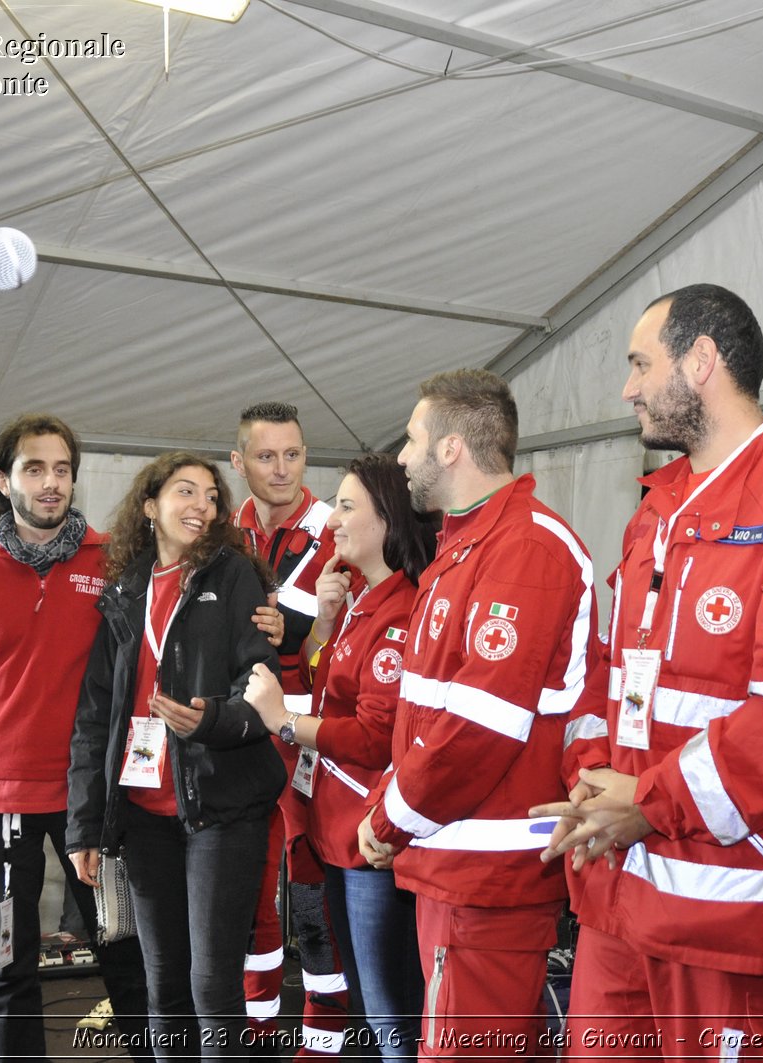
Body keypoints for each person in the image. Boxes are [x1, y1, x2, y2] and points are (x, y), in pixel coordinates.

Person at [532, 284, 763, 1057]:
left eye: (639, 363)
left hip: (733, 919)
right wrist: (591, 777)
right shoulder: (655, 509)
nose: (626, 388)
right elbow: (608, 672)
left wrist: (649, 803)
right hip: (617, 899)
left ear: (700, 361)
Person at [357, 368, 602, 1058]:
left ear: (451, 448)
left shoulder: (524, 548)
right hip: (455, 864)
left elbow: (478, 731)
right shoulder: (468, 544)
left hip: (486, 880)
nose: (402, 457)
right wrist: (393, 802)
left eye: (412, 439)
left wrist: (389, 815)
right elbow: (430, 715)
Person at [0, 412, 150, 1063]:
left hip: (94, 804)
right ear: (2, 478)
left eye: (63, 469)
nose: (51, 483)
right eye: (35, 468)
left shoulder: (115, 563)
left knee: (126, 962)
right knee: (10, 967)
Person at [67, 451, 286, 1059]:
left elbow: (260, 681)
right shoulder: (124, 591)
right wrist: (84, 824)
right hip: (142, 813)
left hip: (222, 804)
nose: (203, 506)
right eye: (186, 492)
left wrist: (211, 720)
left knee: (212, 985)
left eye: (212, 496)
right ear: (149, 506)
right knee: (162, 985)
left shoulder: (236, 575)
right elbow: (94, 718)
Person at [245, 454, 437, 1061]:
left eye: (348, 507)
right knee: (373, 1008)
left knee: (391, 1017)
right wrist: (327, 624)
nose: (334, 522)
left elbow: (375, 737)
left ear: (387, 521)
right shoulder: (365, 602)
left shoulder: (402, 610)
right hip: (340, 833)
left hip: (370, 843)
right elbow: (339, 695)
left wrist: (284, 721)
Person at [230, 401, 349, 1056]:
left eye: (294, 454)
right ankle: (257, 1029)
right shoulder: (220, 533)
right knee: (249, 888)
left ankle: (324, 1040)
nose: (281, 469)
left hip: (310, 733)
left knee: (311, 883)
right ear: (239, 460)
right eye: (267, 455)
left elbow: (354, 643)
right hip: (237, 732)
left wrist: (307, 639)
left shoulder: (340, 527)